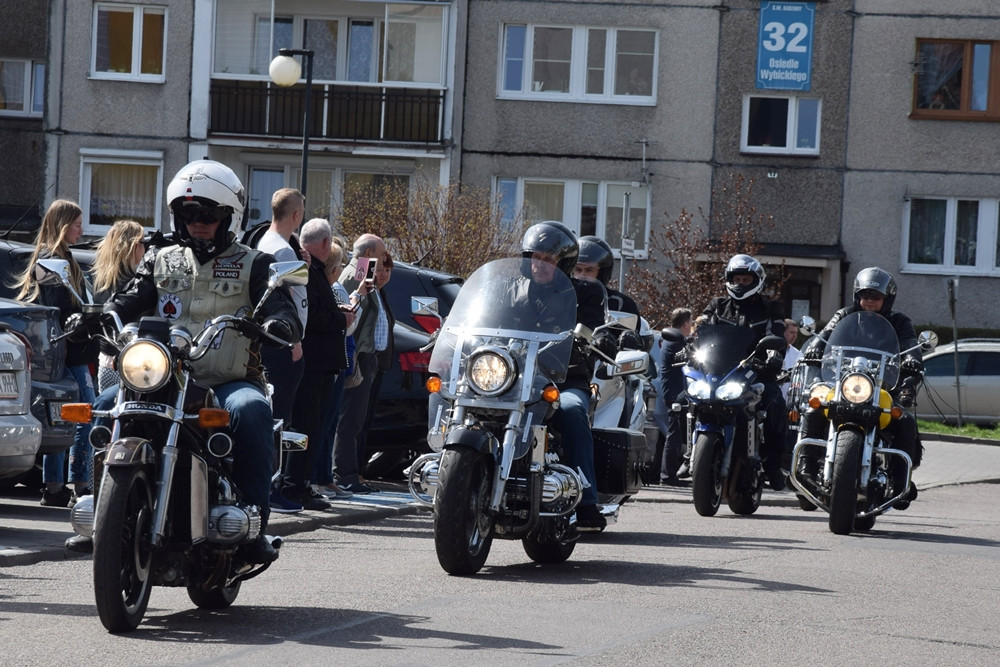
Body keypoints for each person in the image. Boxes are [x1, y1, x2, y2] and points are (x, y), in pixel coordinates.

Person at [100, 159, 302, 564]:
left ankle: (255, 523)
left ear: (229, 217)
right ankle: (99, 512)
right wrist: (101, 313)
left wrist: (278, 324)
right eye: (189, 214)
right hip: (163, 377)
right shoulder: (160, 258)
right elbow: (128, 300)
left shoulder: (255, 263)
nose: (198, 223)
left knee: (253, 410)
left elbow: (283, 311)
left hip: (226, 380)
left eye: (208, 215)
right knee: (106, 405)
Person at [800, 267, 923, 510]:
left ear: (886, 299)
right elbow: (826, 334)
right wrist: (815, 345)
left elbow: (909, 343)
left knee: (904, 419)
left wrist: (913, 359)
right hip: (845, 382)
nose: (869, 302)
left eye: (875, 297)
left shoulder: (899, 321)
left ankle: (901, 480)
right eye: (865, 296)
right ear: (858, 297)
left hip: (882, 385)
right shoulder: (845, 314)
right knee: (815, 409)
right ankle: (805, 468)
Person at [523, 221, 613, 530]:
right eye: (535, 257)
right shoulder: (512, 290)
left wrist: (593, 338)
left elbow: (590, 328)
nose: (540, 265)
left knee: (573, 411)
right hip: (516, 378)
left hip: (565, 378)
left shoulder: (585, 292)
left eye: (548, 259)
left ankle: (587, 502)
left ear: (564, 263)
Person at [63, 218, 145, 553]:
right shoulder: (128, 280)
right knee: (105, 422)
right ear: (130, 245)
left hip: (118, 359)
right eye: (141, 243)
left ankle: (96, 498)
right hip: (123, 361)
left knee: (107, 425)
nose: (145, 250)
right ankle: (97, 499)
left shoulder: (104, 276)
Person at [13, 199, 97, 508]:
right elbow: (58, 314)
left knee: (62, 416)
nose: (81, 229)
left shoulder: (65, 259)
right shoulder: (52, 262)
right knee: (83, 415)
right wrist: (80, 320)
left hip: (70, 353)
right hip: (67, 354)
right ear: (62, 226)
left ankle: (55, 486)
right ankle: (80, 484)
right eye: (76, 224)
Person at [280, 219, 353, 509]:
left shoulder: (316, 271)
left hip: (321, 365)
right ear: (325, 243)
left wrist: (338, 312)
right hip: (310, 364)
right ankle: (294, 485)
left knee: (315, 426)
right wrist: (340, 318)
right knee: (306, 426)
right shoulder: (306, 271)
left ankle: (302, 483)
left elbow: (321, 309)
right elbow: (311, 316)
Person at [701, 253, 788, 491]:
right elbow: (701, 331)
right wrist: (688, 349)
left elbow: (778, 336)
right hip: (719, 370)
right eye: (736, 278)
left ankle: (773, 462)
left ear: (756, 281)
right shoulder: (716, 305)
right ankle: (690, 454)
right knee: (681, 399)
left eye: (746, 280)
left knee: (775, 403)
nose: (740, 283)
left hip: (756, 371)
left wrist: (775, 357)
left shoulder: (770, 307)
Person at [254, 188, 309, 514]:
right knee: (279, 419)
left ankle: (270, 485)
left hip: (274, 342)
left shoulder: (270, 244)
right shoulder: (281, 251)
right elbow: (289, 304)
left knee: (277, 417)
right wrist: (296, 341)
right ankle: (272, 487)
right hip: (282, 345)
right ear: (296, 215)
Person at [333, 233, 389, 494]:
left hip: (367, 356)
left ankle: (351, 472)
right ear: (369, 253)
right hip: (357, 355)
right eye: (381, 252)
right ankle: (344, 474)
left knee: (357, 418)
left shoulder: (365, 273)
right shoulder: (358, 273)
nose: (384, 256)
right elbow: (350, 315)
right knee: (349, 418)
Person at [354, 252, 395, 483]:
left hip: (378, 363)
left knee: (366, 419)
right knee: (356, 420)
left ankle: (359, 471)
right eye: (380, 269)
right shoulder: (366, 288)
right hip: (365, 358)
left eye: (388, 270)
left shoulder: (381, 293)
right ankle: (352, 472)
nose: (384, 274)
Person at [654, 307, 693, 486]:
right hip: (675, 394)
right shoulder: (675, 342)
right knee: (674, 436)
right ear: (685, 324)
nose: (691, 327)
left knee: (675, 435)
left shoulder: (671, 340)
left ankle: (668, 474)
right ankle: (668, 476)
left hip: (675, 393)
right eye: (690, 324)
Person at [574, 235, 641, 323]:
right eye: (578, 270)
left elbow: (631, 333)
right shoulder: (560, 299)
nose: (582, 276)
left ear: (602, 273)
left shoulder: (620, 304)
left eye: (589, 270)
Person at [781, 318, 802, 401]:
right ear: (783, 332)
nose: (795, 336)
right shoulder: (772, 351)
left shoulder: (798, 354)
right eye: (792, 332)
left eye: (796, 333)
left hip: (790, 401)